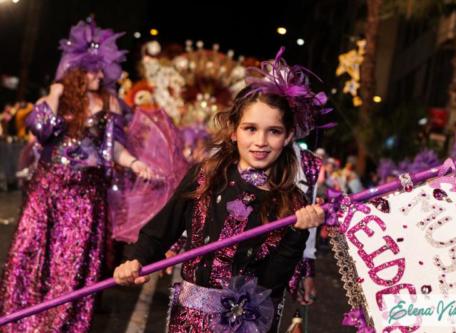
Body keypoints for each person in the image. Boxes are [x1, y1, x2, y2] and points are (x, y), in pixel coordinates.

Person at [114, 47, 329, 332]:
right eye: (250, 128)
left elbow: (272, 283)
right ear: (233, 130)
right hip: (187, 322)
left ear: (288, 136)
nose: (260, 141)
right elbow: (161, 230)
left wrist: (298, 232)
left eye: (273, 131)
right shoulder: (205, 176)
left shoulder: (292, 203)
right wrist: (135, 260)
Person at [0, 18, 153, 333]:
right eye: (90, 69)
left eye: (100, 69)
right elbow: (40, 131)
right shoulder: (58, 100)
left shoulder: (110, 102)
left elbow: (114, 148)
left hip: (85, 199)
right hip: (47, 194)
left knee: (72, 267)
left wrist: (135, 163)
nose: (97, 75)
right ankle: (22, 325)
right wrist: (54, 95)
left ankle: (61, 327)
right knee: (31, 259)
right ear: (75, 70)